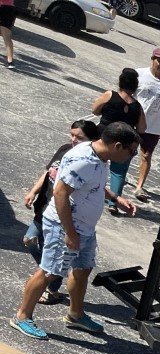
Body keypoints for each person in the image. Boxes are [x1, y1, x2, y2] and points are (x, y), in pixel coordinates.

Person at [11, 122, 141, 340]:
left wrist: (116, 199)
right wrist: (70, 234)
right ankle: (22, 317)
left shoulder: (101, 156)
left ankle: (75, 314)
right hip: (65, 227)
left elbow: (93, 185)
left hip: (84, 228)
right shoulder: (83, 160)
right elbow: (60, 193)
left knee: (83, 269)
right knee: (49, 271)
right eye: (132, 151)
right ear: (118, 146)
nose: (134, 155)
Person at [21, 119, 99, 309]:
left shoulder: (89, 161)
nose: (73, 140)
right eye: (72, 135)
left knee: (52, 262)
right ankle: (47, 276)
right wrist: (33, 191)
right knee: (29, 240)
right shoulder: (65, 149)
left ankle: (51, 287)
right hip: (44, 207)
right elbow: (49, 173)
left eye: (79, 138)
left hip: (60, 213)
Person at [92, 68, 147, 215]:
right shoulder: (137, 105)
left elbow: (95, 110)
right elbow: (142, 128)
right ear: (135, 86)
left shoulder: (110, 95)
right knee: (118, 172)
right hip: (125, 141)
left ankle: (91, 190)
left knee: (94, 164)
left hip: (104, 136)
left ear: (120, 82)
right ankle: (113, 203)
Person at [132, 48, 160, 204]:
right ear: (152, 59)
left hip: (153, 127)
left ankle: (139, 186)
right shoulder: (139, 74)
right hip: (133, 123)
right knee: (124, 152)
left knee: (146, 156)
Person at [0, 0, 15, 69]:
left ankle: (10, 61)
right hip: (9, 9)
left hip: (4, 8)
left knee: (6, 37)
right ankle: (10, 61)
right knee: (7, 37)